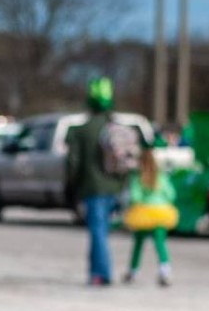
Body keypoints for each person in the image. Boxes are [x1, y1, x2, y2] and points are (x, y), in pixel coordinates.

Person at [65, 77, 132, 286]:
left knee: (97, 232)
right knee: (102, 231)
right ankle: (99, 271)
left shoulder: (81, 131)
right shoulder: (116, 128)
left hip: (93, 188)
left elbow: (72, 164)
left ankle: (100, 273)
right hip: (116, 187)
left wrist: (71, 186)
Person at [123, 137, 178, 287]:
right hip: (161, 212)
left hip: (143, 213)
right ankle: (165, 270)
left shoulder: (138, 177)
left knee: (138, 244)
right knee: (160, 244)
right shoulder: (161, 176)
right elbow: (171, 194)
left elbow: (135, 196)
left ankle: (133, 271)